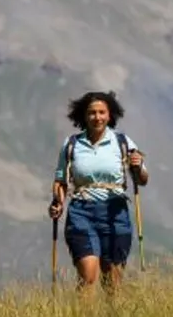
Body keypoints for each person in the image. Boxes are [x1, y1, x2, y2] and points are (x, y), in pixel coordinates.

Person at [49, 90, 147, 293]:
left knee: (112, 282)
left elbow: (142, 180)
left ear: (110, 115)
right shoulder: (72, 145)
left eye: (102, 112)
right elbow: (61, 180)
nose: (97, 117)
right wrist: (57, 202)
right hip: (81, 213)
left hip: (115, 212)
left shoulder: (123, 143)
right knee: (88, 276)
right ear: (84, 116)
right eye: (92, 113)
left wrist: (138, 166)